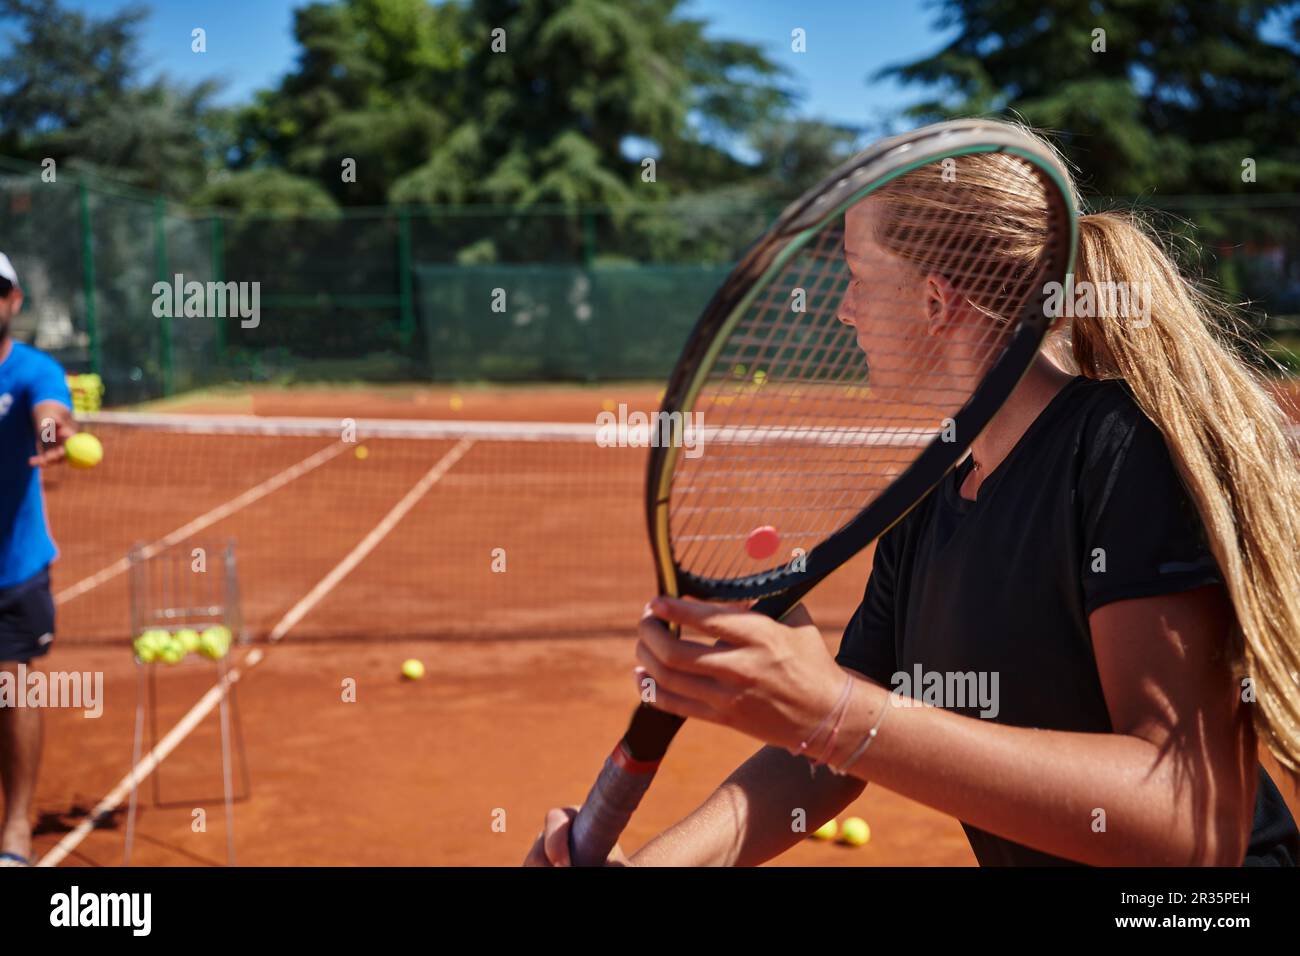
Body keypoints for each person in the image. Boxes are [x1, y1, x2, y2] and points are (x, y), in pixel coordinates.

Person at [526, 121, 1300, 867]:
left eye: (858, 275)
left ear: (936, 301)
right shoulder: (932, 494)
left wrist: (832, 712)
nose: (844, 308)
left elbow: (1190, 827)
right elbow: (825, 760)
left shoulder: (1123, 450)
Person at [0, 252, 76, 867]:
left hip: (13, 568)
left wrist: (54, 436)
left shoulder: (33, 370)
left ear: (14, 302)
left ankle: (17, 827)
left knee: (12, 687)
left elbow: (50, 414)